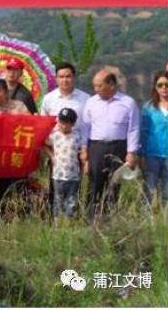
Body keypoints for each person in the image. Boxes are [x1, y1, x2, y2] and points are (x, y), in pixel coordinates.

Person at [81, 69, 140, 222]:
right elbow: (85, 127)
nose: (96, 89)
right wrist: (84, 149)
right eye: (95, 86)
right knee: (95, 183)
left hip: (118, 147)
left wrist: (131, 152)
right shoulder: (91, 102)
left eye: (99, 86)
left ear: (111, 85)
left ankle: (110, 219)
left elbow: (133, 128)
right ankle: (90, 219)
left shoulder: (128, 103)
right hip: (96, 147)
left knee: (114, 183)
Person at [40, 62, 90, 216]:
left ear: (73, 77)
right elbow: (43, 129)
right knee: (56, 190)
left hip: (77, 150)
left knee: (74, 190)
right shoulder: (49, 99)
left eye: (68, 76)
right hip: (57, 151)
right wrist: (51, 155)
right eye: (61, 77)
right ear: (56, 78)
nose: (65, 80)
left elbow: (87, 127)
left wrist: (84, 151)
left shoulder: (85, 99)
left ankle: (72, 218)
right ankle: (54, 220)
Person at [0, 78, 30, 199]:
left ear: (6, 91)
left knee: (21, 183)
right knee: (4, 184)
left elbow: (30, 121)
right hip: (1, 154)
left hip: (19, 151)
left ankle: (21, 212)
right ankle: (4, 212)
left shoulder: (19, 105)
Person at [43, 108, 85, 221]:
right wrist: (51, 156)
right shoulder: (54, 135)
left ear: (73, 124)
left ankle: (68, 221)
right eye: (62, 122)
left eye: (67, 123)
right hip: (58, 175)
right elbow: (44, 144)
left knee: (71, 200)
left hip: (73, 175)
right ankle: (57, 221)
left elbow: (83, 150)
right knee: (58, 199)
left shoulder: (77, 136)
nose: (64, 126)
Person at [139, 70, 168, 209]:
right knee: (148, 192)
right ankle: (146, 223)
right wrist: (141, 155)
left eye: (167, 84)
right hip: (152, 156)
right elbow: (143, 132)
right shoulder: (148, 107)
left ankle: (167, 223)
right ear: (155, 87)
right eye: (160, 84)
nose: (164, 88)